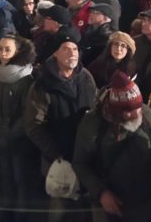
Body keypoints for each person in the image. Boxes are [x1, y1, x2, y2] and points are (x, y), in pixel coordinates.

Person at [73, 70, 151, 221]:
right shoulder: (93, 123)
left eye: (138, 107)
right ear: (115, 109)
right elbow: (80, 163)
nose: (136, 113)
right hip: (112, 202)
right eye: (129, 110)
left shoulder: (145, 112)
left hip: (146, 200)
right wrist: (101, 192)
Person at [24, 33, 97, 220]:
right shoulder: (43, 85)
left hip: (84, 157)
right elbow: (34, 126)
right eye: (65, 49)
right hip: (57, 159)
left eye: (74, 49)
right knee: (59, 208)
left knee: (84, 207)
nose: (72, 53)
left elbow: (95, 110)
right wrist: (57, 154)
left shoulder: (86, 77)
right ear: (55, 53)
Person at [0, 35, 37, 222]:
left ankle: (22, 215)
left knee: (20, 178)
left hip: (16, 139)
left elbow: (27, 114)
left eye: (7, 49)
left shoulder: (25, 78)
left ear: (18, 52)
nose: (2, 53)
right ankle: (7, 211)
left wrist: (11, 134)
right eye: (0, 49)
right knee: (6, 176)